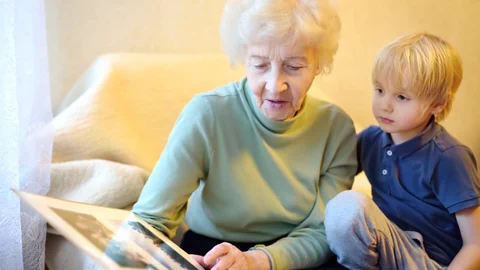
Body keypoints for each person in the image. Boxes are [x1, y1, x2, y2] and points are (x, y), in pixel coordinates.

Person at [132, 0, 357, 269]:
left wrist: (257, 261)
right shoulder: (207, 114)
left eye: (294, 67)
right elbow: (150, 220)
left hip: (297, 256)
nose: (275, 85)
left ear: (318, 64)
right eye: (260, 65)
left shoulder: (336, 128)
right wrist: (167, 262)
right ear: (243, 58)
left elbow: (323, 232)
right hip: (212, 250)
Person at [324, 32, 480, 269]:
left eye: (401, 96)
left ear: (438, 104)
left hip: (428, 261)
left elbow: (475, 244)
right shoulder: (371, 139)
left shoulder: (449, 157)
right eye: (379, 90)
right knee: (342, 209)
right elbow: (329, 167)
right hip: (383, 249)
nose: (385, 105)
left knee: (348, 207)